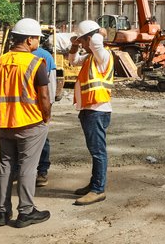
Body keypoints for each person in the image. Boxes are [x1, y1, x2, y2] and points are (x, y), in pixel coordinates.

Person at [0, 18, 51, 227]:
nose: (38, 43)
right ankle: (25, 212)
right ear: (28, 40)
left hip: (5, 122)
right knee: (27, 167)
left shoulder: (0, 61)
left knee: (5, 166)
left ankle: (1, 213)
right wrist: (46, 117)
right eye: (36, 39)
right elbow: (44, 97)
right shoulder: (35, 62)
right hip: (30, 123)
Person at [69, 20, 113, 206]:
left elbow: (96, 42)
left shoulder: (103, 56)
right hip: (89, 110)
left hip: (97, 111)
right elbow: (72, 61)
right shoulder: (90, 58)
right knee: (95, 151)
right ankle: (94, 184)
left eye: (83, 41)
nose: (84, 45)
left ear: (89, 38)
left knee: (98, 152)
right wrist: (74, 45)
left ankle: (98, 190)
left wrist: (98, 33)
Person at [31, 44, 57, 187]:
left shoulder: (44, 56)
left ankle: (41, 171)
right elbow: (51, 87)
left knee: (42, 140)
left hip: (37, 107)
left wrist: (47, 107)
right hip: (27, 108)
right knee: (42, 140)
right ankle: (41, 171)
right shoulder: (45, 56)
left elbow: (49, 88)